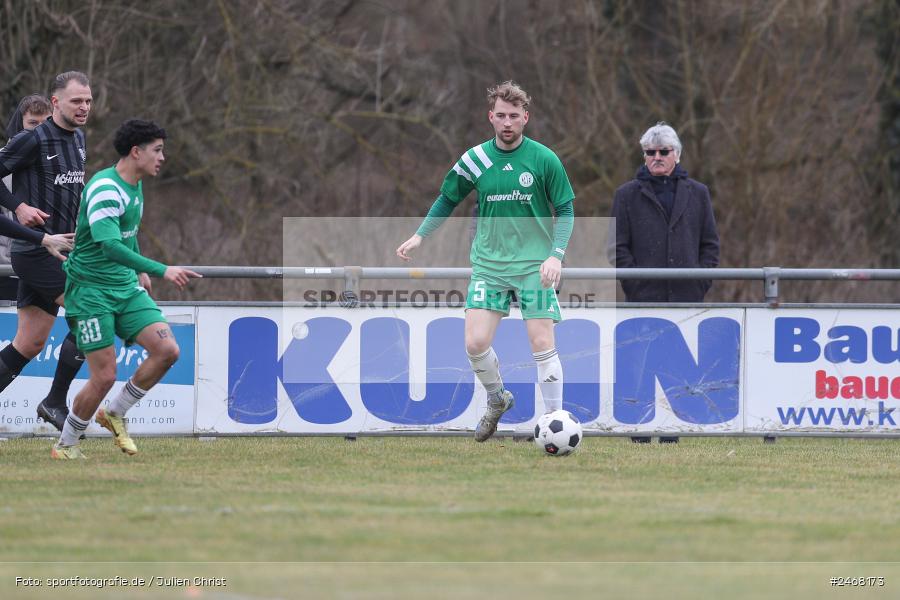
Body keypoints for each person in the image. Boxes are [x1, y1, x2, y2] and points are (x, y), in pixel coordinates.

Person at [396, 81, 575, 442]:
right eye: (501, 116)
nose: (507, 122)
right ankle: (497, 399)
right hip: (489, 266)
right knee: (475, 344)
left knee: (542, 343)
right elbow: (447, 199)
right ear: (490, 117)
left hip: (533, 266)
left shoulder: (544, 159)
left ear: (525, 117)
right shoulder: (475, 159)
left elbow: (567, 209)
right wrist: (420, 235)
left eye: (514, 116)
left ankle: (554, 422)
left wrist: (556, 255)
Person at [51, 119, 201, 459]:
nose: (163, 157)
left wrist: (137, 271)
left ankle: (115, 412)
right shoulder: (106, 188)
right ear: (137, 152)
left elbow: (126, 238)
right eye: (157, 150)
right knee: (104, 376)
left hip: (124, 286)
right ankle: (67, 444)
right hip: (90, 291)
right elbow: (109, 246)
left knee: (167, 351)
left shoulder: (134, 184)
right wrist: (161, 269)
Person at [609, 122, 720, 443]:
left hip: (686, 296)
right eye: (650, 152)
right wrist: (635, 283)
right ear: (643, 155)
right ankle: (640, 431)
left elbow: (710, 245)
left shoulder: (698, 193)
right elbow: (616, 248)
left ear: (677, 155)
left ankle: (674, 430)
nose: (656, 157)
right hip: (643, 297)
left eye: (663, 152)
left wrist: (700, 282)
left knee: (679, 368)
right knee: (640, 367)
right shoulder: (627, 195)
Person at [0, 72, 93, 432]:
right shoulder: (33, 139)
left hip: (64, 251)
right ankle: (54, 401)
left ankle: (53, 401)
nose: (83, 107)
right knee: (90, 311)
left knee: (30, 343)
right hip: (36, 250)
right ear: (56, 102)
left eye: (87, 100)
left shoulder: (79, 139)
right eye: (76, 101)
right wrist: (18, 207)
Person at [1, 95, 53, 299]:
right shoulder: (3, 162)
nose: (39, 130)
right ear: (20, 124)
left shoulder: (63, 162)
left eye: (46, 123)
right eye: (33, 123)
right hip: (6, 272)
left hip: (48, 265)